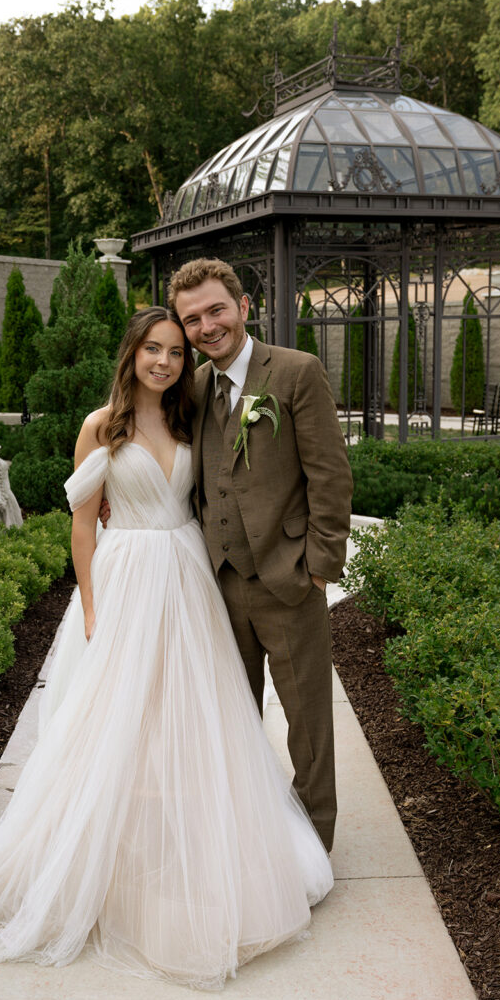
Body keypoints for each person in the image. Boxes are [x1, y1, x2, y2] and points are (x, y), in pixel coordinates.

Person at [0, 306, 333, 991]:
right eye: (153, 349)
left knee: (191, 712)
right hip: (126, 578)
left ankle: (189, 838)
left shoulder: (188, 416)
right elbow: (83, 527)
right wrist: (89, 607)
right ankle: (117, 849)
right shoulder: (99, 426)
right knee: (117, 718)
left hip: (191, 578)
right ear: (131, 353)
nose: (165, 361)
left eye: (175, 351)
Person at [168, 258, 353, 853]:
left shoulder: (297, 372)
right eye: (192, 319)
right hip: (217, 581)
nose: (206, 326)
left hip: (288, 576)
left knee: (308, 724)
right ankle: (248, 836)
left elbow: (330, 477)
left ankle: (315, 844)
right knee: (233, 719)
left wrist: (320, 566)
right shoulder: (192, 387)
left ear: (244, 307)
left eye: (216, 310)